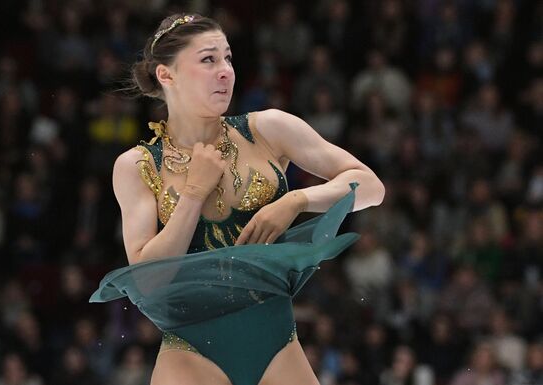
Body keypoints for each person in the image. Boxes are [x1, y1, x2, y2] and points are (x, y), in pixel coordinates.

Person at [90, 13, 385, 385]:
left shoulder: (267, 129)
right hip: (191, 355)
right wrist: (193, 193)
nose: (225, 71)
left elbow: (371, 187)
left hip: (279, 345)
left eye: (228, 58)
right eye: (208, 59)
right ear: (167, 75)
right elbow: (150, 281)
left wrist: (294, 201)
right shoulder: (138, 165)